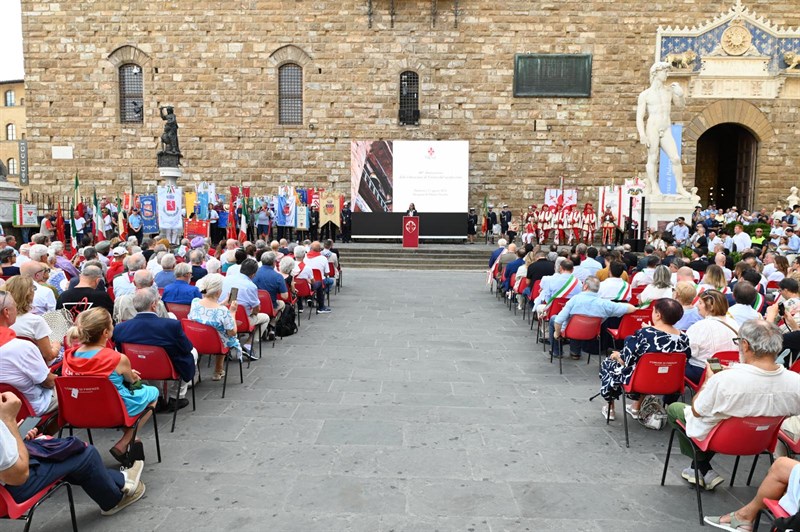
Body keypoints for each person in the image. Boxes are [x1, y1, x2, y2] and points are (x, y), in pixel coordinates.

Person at [667, 320, 800, 495]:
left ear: (745, 345)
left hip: (720, 438)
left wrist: (708, 381)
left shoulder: (724, 380)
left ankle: (700, 465)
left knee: (675, 408)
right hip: (761, 441)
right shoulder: (795, 381)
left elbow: (697, 411)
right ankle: (700, 468)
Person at [0, 391, 147, 516]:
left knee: (61, 449)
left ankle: (123, 479)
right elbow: (18, 476)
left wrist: (12, 434)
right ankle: (114, 500)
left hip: (7, 474)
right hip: (9, 493)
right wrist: (9, 421)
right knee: (84, 453)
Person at [63, 307, 160, 463]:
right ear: (105, 333)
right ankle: (125, 441)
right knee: (152, 392)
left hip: (78, 410)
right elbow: (133, 381)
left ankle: (134, 440)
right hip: (113, 410)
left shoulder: (69, 356)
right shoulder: (117, 358)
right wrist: (131, 374)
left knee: (117, 393)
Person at [598, 298, 690, 420]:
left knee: (609, 363)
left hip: (641, 380)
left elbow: (626, 360)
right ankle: (635, 407)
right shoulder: (684, 338)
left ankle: (610, 408)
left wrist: (617, 355)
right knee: (650, 367)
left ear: (658, 315)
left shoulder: (644, 334)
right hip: (669, 382)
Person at [112, 290, 196, 412]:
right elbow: (187, 348)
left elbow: (121, 351)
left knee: (145, 357)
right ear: (153, 304)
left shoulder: (120, 328)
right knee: (192, 354)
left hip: (138, 367)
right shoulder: (171, 325)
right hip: (167, 367)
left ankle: (159, 397)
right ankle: (175, 397)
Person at [551, 276, 636, 360]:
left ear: (585, 286)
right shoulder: (605, 304)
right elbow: (631, 308)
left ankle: (557, 352)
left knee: (554, 319)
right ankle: (575, 353)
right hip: (592, 333)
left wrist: (557, 333)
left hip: (571, 331)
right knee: (574, 323)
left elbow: (559, 321)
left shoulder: (574, 299)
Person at [189, 274, 242, 381]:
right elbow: (232, 332)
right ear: (218, 292)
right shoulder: (222, 311)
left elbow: (208, 310)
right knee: (222, 334)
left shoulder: (195, 302)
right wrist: (232, 312)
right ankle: (218, 371)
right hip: (217, 344)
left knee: (217, 332)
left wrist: (222, 304)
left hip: (197, 340)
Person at [685, 290, 738, 385]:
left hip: (705, 371)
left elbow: (691, 351)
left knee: (675, 366)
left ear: (711, 306)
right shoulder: (734, 323)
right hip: (730, 371)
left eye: (700, 303)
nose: (697, 305)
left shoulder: (700, 326)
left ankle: (668, 399)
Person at [4, 276, 60, 364]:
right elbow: (48, 356)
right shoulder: (35, 321)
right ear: (29, 294)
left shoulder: (3, 320)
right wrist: (57, 346)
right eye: (33, 288)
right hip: (34, 366)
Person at [219, 258, 271, 347]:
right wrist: (253, 313)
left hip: (222, 317)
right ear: (253, 274)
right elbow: (256, 309)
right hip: (242, 320)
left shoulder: (226, 279)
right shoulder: (251, 286)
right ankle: (248, 344)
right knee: (265, 318)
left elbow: (231, 299)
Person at [253, 252, 287, 338]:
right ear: (274, 263)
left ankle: (268, 326)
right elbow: (285, 296)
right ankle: (272, 324)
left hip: (255, 305)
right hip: (271, 306)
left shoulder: (253, 274)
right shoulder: (278, 276)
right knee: (282, 304)